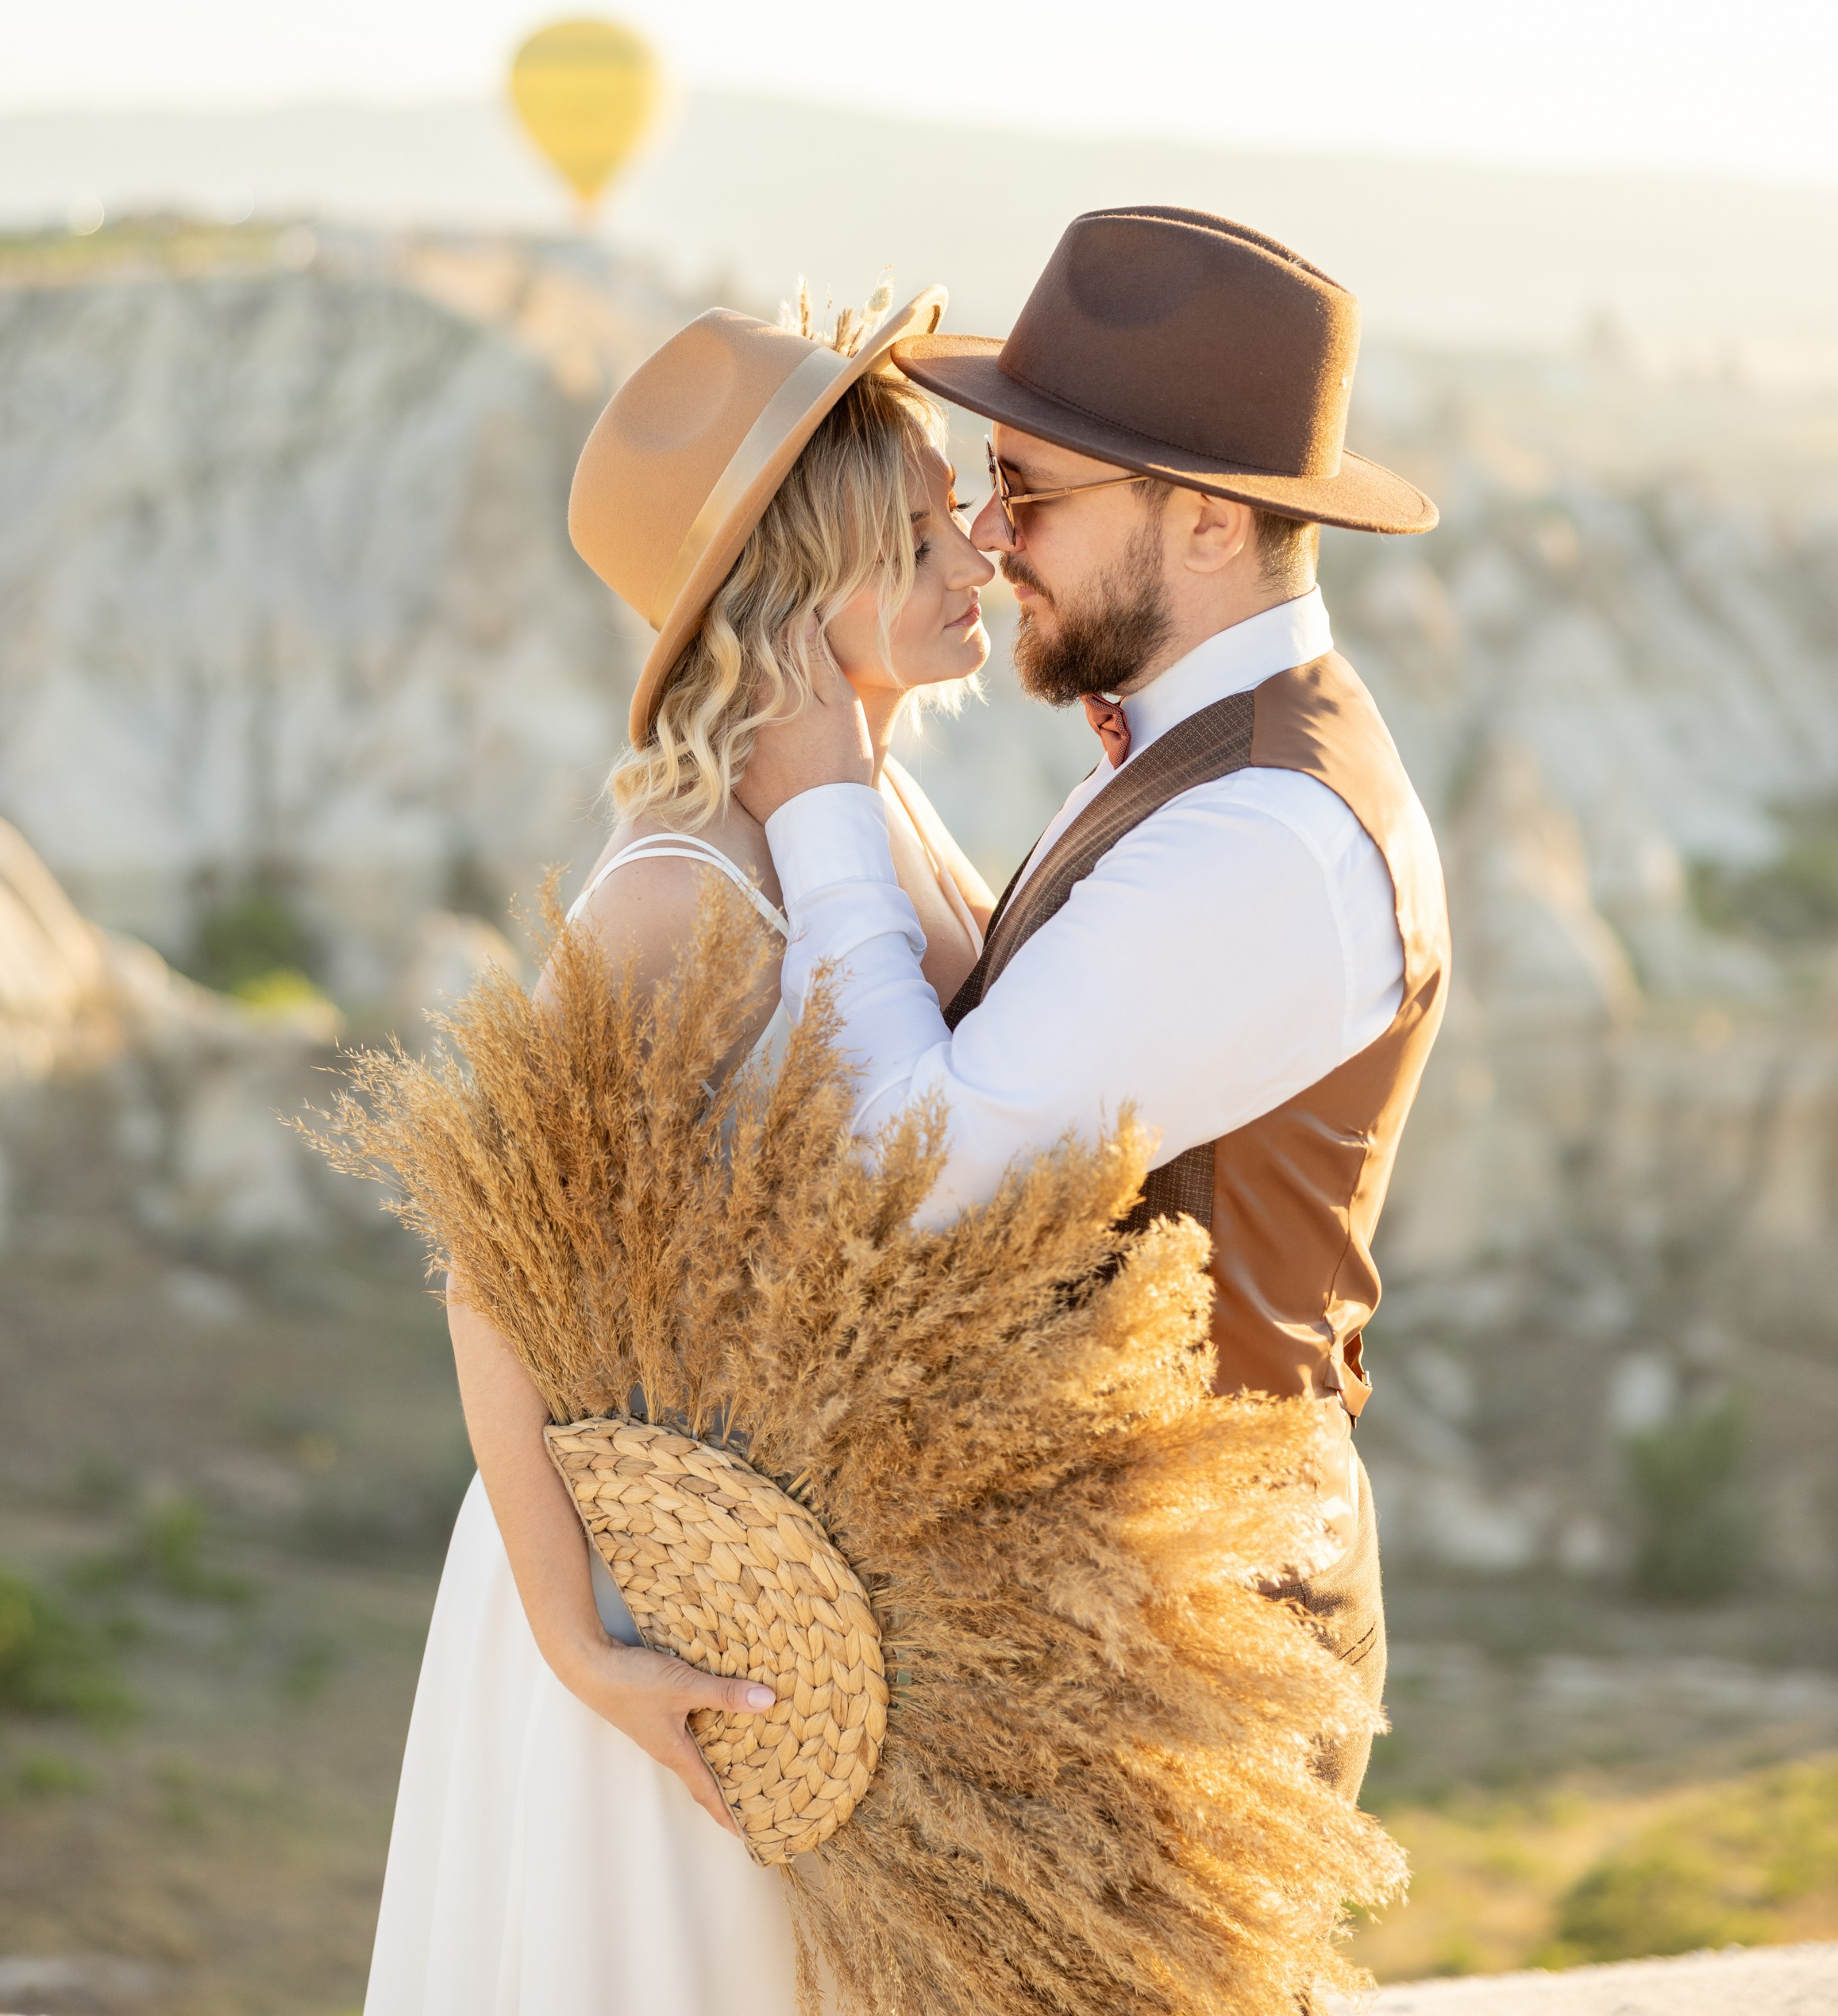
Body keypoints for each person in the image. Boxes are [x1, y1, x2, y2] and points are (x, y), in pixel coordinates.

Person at [738, 205, 1451, 1794]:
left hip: (1187, 1654)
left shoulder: (1262, 833)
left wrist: (822, 797)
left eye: (1031, 491)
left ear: (1206, 522)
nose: (990, 538)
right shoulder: (1211, 759)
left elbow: (908, 1180)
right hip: (1107, 1618)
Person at [364, 284, 994, 2016]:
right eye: (922, 534)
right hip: (667, 1599)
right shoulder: (680, 887)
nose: (980, 556)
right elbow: (491, 1274)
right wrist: (580, 1646)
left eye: (963, 517)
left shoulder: (879, 815)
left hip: (805, 1586)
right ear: (803, 582)